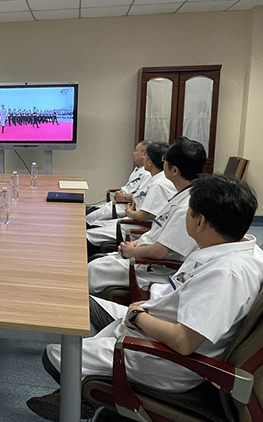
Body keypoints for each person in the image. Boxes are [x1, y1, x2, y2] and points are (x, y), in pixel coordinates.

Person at [27, 174, 263, 421]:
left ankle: (89, 400)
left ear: (200, 221)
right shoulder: (241, 250)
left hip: (164, 359)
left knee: (56, 356)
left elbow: (183, 342)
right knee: (83, 306)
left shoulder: (226, 274)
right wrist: (146, 308)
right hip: (155, 321)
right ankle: (88, 391)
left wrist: (138, 317)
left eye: (189, 211)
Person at [88, 137, 206, 294]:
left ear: (174, 170)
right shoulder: (181, 196)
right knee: (93, 261)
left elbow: (160, 251)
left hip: (152, 267)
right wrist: (134, 245)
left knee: (91, 269)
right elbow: (158, 232)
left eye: (165, 160)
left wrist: (131, 251)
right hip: (143, 253)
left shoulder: (186, 208)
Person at [86, 141, 176, 256]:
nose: (143, 158)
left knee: (88, 236)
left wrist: (129, 211)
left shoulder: (158, 184)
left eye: (145, 156)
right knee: (92, 226)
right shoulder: (156, 180)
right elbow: (138, 201)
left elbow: (142, 215)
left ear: (149, 162)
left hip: (137, 227)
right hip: (134, 223)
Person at [86, 141, 152, 225]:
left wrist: (123, 197)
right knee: (87, 213)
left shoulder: (148, 174)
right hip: (119, 203)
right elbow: (131, 187)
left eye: (136, 150)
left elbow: (140, 197)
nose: (133, 153)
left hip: (125, 206)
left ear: (144, 154)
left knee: (88, 220)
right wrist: (120, 193)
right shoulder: (138, 169)